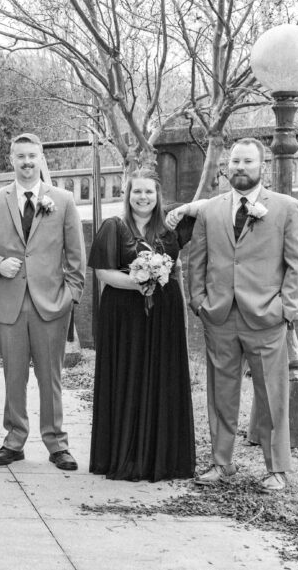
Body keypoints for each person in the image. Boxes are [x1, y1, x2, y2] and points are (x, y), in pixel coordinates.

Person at [186, 137, 298, 493]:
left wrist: (285, 309)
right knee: (221, 392)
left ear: (262, 167)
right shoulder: (211, 210)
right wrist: (198, 302)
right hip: (219, 316)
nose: (240, 168)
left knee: (271, 394)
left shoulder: (286, 208)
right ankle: (222, 463)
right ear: (227, 166)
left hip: (266, 317)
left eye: (247, 162)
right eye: (235, 162)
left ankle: (276, 469)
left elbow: (296, 265)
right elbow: (197, 259)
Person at [0, 133, 85, 471]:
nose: (27, 162)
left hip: (51, 303)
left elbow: (76, 255)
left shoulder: (62, 200)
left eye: (32, 156)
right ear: (11, 159)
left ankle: (57, 443)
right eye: (20, 156)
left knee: (51, 376)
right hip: (9, 301)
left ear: (41, 157)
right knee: (13, 374)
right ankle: (14, 440)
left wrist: (71, 296)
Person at [88, 168, 196, 481]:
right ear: (128, 194)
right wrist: (140, 281)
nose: (143, 197)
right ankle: (123, 453)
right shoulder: (114, 226)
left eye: (149, 192)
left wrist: (186, 208)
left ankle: (160, 458)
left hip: (163, 313)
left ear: (158, 196)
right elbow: (103, 273)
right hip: (123, 314)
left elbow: (207, 209)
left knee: (161, 377)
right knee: (127, 376)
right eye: (137, 192)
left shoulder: (169, 231)